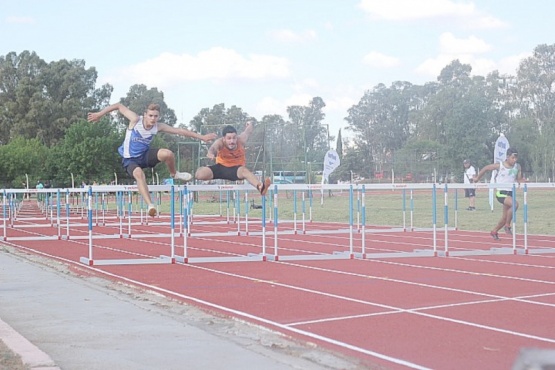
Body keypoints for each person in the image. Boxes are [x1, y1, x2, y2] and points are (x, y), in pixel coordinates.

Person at [88, 103, 217, 217]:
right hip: (130, 159)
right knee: (139, 174)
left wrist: (202, 137)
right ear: (145, 115)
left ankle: (174, 173)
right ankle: (151, 205)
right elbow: (118, 106)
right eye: (150, 115)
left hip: (144, 156)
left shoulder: (158, 126)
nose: (153, 119)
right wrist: (99, 114)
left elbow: (180, 131)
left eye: (155, 116)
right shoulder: (135, 120)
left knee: (168, 154)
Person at [195, 121, 271, 195]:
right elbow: (213, 148)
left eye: (234, 138)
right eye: (229, 138)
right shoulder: (220, 142)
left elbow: (248, 131)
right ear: (224, 138)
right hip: (221, 168)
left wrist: (249, 124)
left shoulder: (241, 140)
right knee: (200, 174)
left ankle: (260, 187)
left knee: (245, 171)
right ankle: (190, 176)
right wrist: (210, 153)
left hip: (236, 169)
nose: (232, 141)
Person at [473, 147, 524, 240]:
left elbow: (519, 179)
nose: (514, 160)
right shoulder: (500, 165)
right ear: (507, 157)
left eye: (516, 158)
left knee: (505, 217)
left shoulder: (517, 167)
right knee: (515, 204)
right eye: (513, 158)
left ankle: (494, 231)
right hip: (501, 193)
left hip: (511, 193)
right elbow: (486, 168)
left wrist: (523, 181)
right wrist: (477, 178)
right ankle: (507, 226)